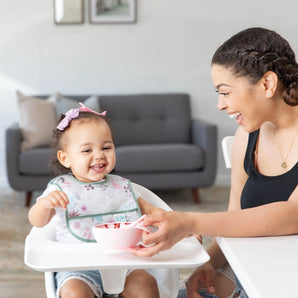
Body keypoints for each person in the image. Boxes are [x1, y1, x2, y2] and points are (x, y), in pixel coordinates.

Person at [129, 27, 298, 298]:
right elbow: (234, 219)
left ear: (267, 84)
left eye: (226, 92)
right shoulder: (247, 136)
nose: (220, 104)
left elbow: (293, 214)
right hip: (248, 273)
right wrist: (208, 263)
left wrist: (189, 221)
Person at [28, 103, 166, 298]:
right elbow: (37, 221)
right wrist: (44, 204)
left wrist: (183, 227)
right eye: (87, 151)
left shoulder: (123, 187)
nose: (99, 155)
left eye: (106, 147)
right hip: (79, 267)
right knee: (73, 292)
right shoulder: (61, 189)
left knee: (145, 284)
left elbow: (153, 213)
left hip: (126, 265)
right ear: (65, 158)